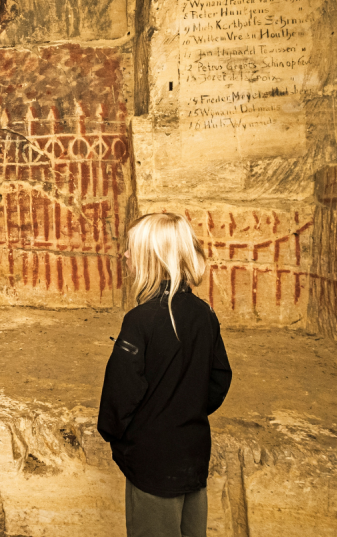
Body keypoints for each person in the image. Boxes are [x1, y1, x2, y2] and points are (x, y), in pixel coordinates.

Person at [98, 213, 232, 537]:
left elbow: (119, 396)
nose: (125, 254)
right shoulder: (206, 315)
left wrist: (124, 434)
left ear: (151, 257)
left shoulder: (139, 321)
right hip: (193, 459)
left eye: (131, 248)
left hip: (152, 467)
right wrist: (184, 411)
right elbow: (219, 379)